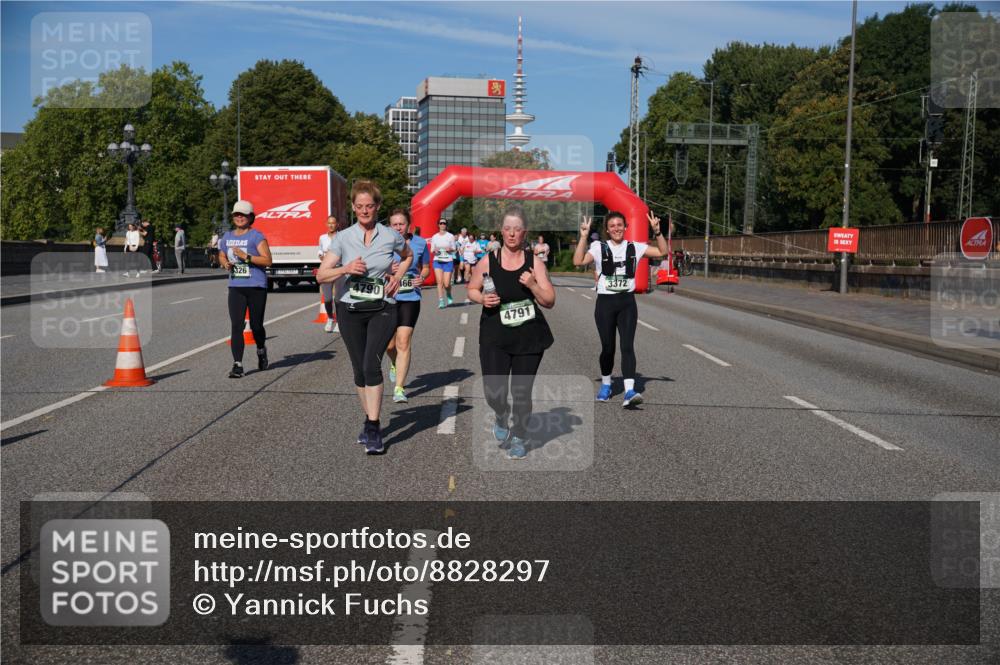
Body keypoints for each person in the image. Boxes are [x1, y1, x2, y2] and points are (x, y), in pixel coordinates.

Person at [316, 180, 412, 455]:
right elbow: (322, 275)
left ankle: (373, 425)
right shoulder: (343, 238)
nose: (364, 211)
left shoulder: (390, 235)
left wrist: (398, 276)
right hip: (349, 309)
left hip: (382, 307)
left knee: (371, 364)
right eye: (359, 206)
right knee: (359, 369)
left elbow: (407, 255)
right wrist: (345, 268)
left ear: (377, 206)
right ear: (353, 207)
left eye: (369, 206)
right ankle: (369, 420)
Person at [468, 205, 555, 460]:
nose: (512, 234)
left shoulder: (534, 263)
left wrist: (533, 285)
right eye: (508, 228)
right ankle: (501, 413)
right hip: (495, 335)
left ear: (525, 232)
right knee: (493, 392)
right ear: (501, 231)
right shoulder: (488, 261)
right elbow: (472, 289)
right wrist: (482, 299)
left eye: (517, 229)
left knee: (521, 391)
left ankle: (519, 435)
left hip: (528, 336)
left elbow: (549, 300)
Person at [573, 211, 669, 407]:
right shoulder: (598, 247)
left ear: (625, 227)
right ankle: (606, 385)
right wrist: (583, 237)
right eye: (612, 226)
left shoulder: (635, 247)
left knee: (627, 346)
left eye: (619, 225)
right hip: (605, 304)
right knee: (608, 348)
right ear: (607, 230)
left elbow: (662, 252)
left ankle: (629, 391)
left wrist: (658, 232)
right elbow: (578, 261)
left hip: (627, 303)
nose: (616, 228)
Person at [218, 200, 273, 378]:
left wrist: (246, 257)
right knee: (236, 325)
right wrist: (225, 263)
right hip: (236, 286)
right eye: (236, 214)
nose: (239, 217)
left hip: (256, 286)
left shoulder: (256, 236)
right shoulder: (227, 236)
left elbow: (267, 260)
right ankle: (238, 365)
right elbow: (221, 254)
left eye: (243, 215)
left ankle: (261, 349)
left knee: (256, 326)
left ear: (250, 217)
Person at [385, 208, 430, 403]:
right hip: (388, 297)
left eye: (401, 224)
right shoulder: (383, 243)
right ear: (389, 226)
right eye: (394, 224)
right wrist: (387, 268)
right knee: (389, 345)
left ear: (408, 225)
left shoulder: (420, 243)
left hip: (410, 297)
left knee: (403, 341)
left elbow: (426, 268)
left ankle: (399, 388)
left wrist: (422, 277)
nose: (398, 228)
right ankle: (394, 362)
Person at [318, 215, 339, 332]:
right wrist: (321, 255)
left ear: (337, 224)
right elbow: (320, 250)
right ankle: (330, 318)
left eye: (333, 223)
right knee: (327, 298)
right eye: (329, 223)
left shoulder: (342, 237)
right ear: (326, 224)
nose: (331, 225)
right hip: (326, 269)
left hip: (339, 269)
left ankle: (339, 322)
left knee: (338, 298)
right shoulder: (322, 238)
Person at [429, 219, 456, 308]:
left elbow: (454, 248)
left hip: (448, 261)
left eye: (444, 223)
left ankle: (448, 293)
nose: (442, 224)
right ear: (438, 225)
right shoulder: (435, 237)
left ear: (446, 225)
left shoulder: (450, 236)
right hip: (438, 261)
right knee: (439, 282)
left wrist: (450, 249)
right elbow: (432, 249)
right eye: (441, 223)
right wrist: (435, 250)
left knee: (446, 284)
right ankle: (441, 301)